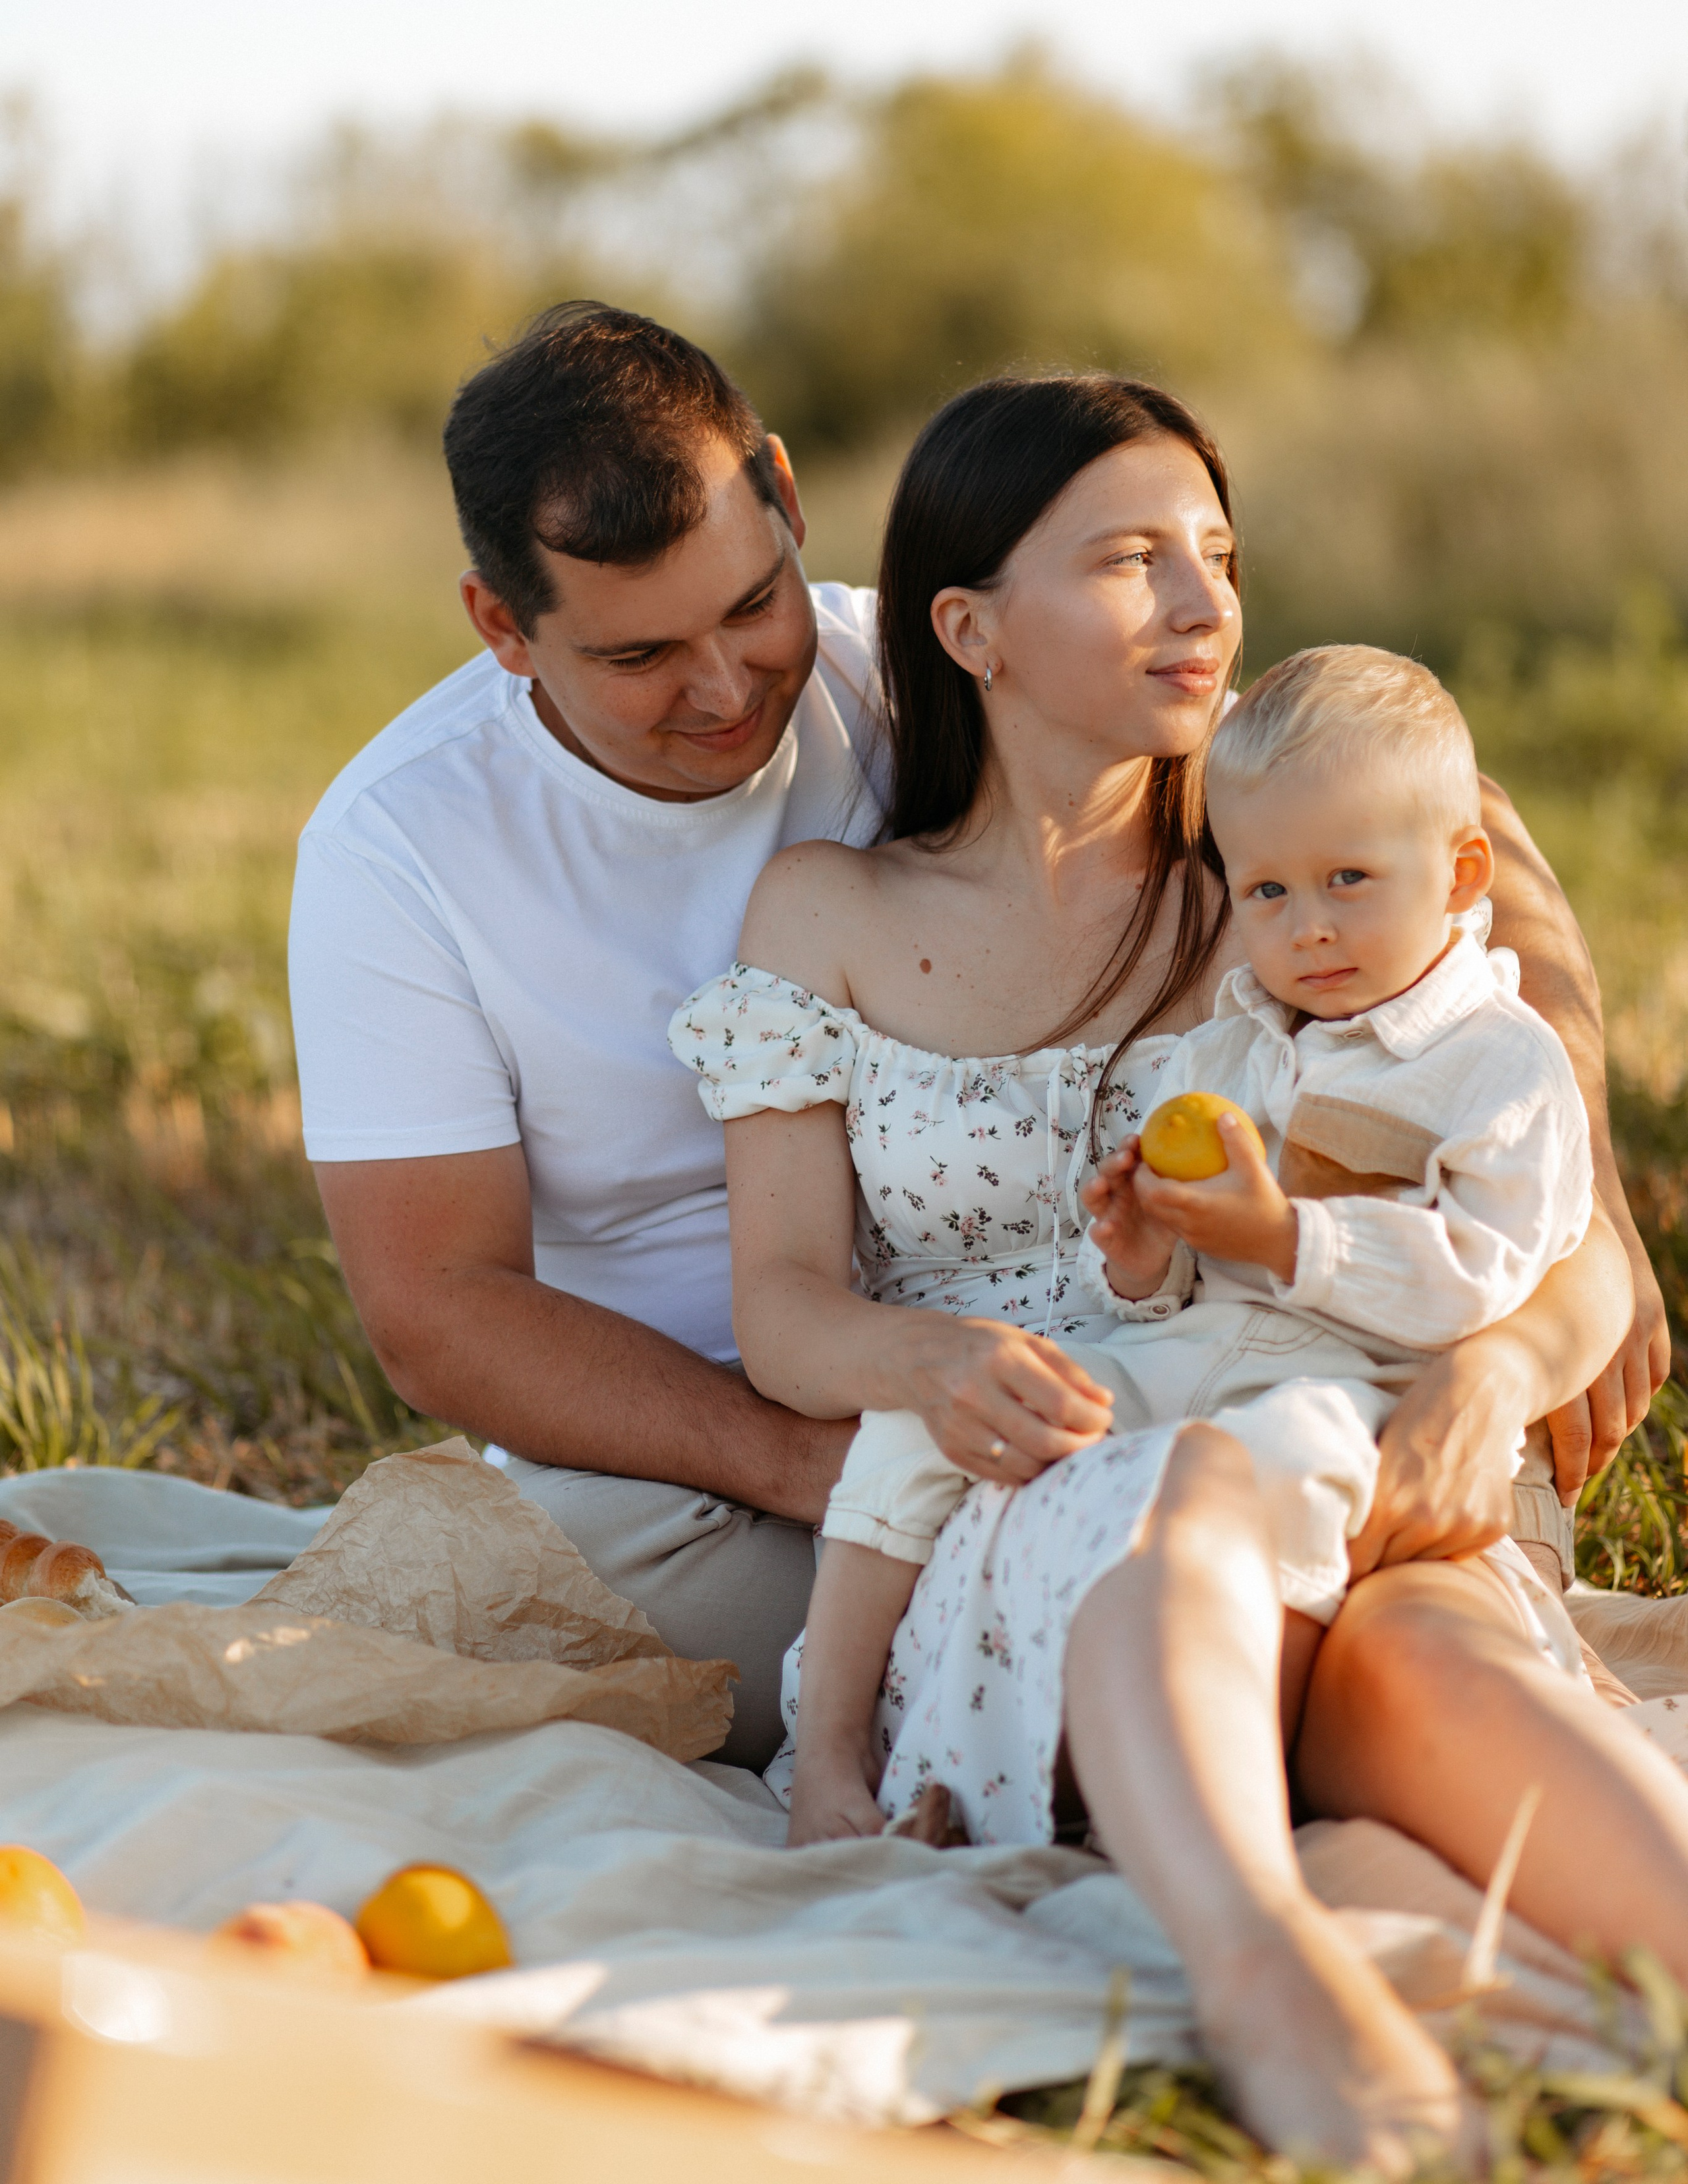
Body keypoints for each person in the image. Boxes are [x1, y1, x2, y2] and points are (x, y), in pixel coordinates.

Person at [289, 298, 1662, 1776]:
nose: (727, 686)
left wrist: (1564, 1176)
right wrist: (815, 1458)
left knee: (1286, 1625)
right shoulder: (399, 848)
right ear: (503, 624)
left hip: (1104, 1385)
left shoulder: (950, 665)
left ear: (786, 498)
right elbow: (436, 1303)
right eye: (638, 659)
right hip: (690, 1449)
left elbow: (1430, 818)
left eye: (751, 605)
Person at [678, 371, 1688, 2171]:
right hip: (1061, 1477)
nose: (1208, 606)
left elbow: (1583, 1260)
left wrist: (1502, 1372)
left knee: (1437, 1665)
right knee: (1190, 1498)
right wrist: (928, 1368)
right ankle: (1272, 1978)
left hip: (1379, 1465)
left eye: (1216, 556)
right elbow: (785, 1310)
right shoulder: (829, 919)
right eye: (1135, 561)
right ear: (968, 625)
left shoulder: (1312, 878)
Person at [740, 644, 1591, 1843]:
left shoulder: (1497, 1061)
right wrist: (1140, 1252)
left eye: (1351, 879)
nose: (1310, 930)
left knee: (1266, 1473)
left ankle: (1208, 1783)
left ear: (1459, 875)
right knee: (921, 1431)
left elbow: (1489, 1271)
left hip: (1349, 1386)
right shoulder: (1232, 1045)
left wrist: (1291, 1238)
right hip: (1195, 1355)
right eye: (1269, 895)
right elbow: (1168, 1287)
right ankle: (831, 1760)